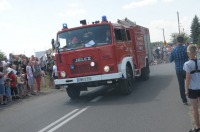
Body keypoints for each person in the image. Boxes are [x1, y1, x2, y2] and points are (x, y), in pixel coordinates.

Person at [183, 44, 200, 132]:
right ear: (196, 52)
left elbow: (188, 78)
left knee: (194, 108)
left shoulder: (187, 64)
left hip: (193, 89)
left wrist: (186, 90)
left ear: (188, 53)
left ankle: (197, 127)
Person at [170, 36, 188, 105]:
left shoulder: (173, 50)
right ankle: (192, 97)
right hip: (186, 69)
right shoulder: (186, 48)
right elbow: (190, 56)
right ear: (183, 41)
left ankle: (184, 100)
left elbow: (170, 60)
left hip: (178, 70)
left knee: (181, 85)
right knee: (190, 83)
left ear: (177, 41)